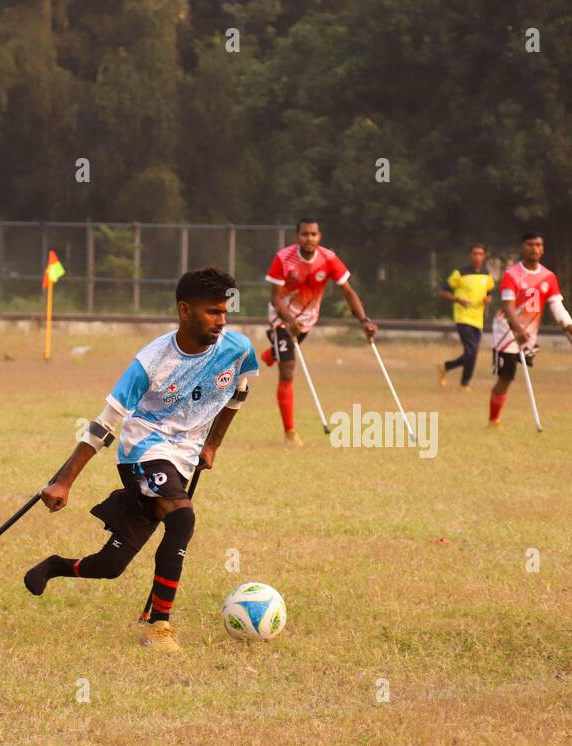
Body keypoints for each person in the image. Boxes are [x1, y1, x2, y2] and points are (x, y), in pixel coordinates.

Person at [23, 268, 259, 652]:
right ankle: (159, 625)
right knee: (182, 518)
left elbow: (239, 392)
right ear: (185, 311)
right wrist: (64, 481)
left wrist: (212, 443)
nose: (221, 321)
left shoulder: (238, 348)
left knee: (110, 566)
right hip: (143, 451)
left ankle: (54, 565)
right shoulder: (151, 361)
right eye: (212, 312)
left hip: (182, 457)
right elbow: (104, 425)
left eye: (224, 312)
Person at [261, 218, 377, 446]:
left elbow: (348, 291)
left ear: (319, 236)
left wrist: (364, 320)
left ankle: (269, 355)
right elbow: (275, 297)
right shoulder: (283, 258)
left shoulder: (329, 259)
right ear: (297, 237)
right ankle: (290, 433)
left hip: (307, 320)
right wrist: (289, 320)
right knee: (288, 371)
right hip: (282, 319)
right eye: (305, 234)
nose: (309, 239)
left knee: (283, 355)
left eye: (313, 234)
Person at [488, 231, 572, 427]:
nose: (535, 249)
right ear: (522, 248)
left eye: (539, 245)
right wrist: (518, 330)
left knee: (517, 371)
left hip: (530, 331)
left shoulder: (548, 277)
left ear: (543, 249)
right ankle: (494, 419)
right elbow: (508, 307)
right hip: (507, 330)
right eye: (530, 245)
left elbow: (557, 308)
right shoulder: (512, 275)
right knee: (506, 375)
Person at [438, 242, 495, 391]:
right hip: (463, 317)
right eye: (475, 254)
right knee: (471, 351)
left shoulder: (486, 274)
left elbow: (490, 292)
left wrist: (488, 299)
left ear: (484, 256)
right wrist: (458, 300)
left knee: (472, 352)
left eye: (480, 254)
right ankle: (465, 383)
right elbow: (443, 291)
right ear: (470, 256)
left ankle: (447, 367)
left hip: (478, 318)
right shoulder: (460, 273)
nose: (477, 257)